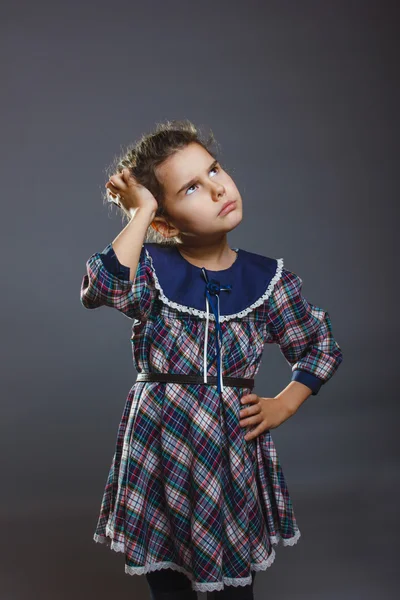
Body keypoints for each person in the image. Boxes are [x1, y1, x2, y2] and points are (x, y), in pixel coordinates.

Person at [80, 119, 343, 599]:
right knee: (170, 588)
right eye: (193, 187)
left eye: (215, 169)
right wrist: (139, 213)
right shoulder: (152, 270)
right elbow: (102, 287)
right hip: (162, 448)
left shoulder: (269, 280)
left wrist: (285, 401)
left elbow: (317, 344)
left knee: (233, 591)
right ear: (165, 220)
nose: (218, 187)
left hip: (230, 453)